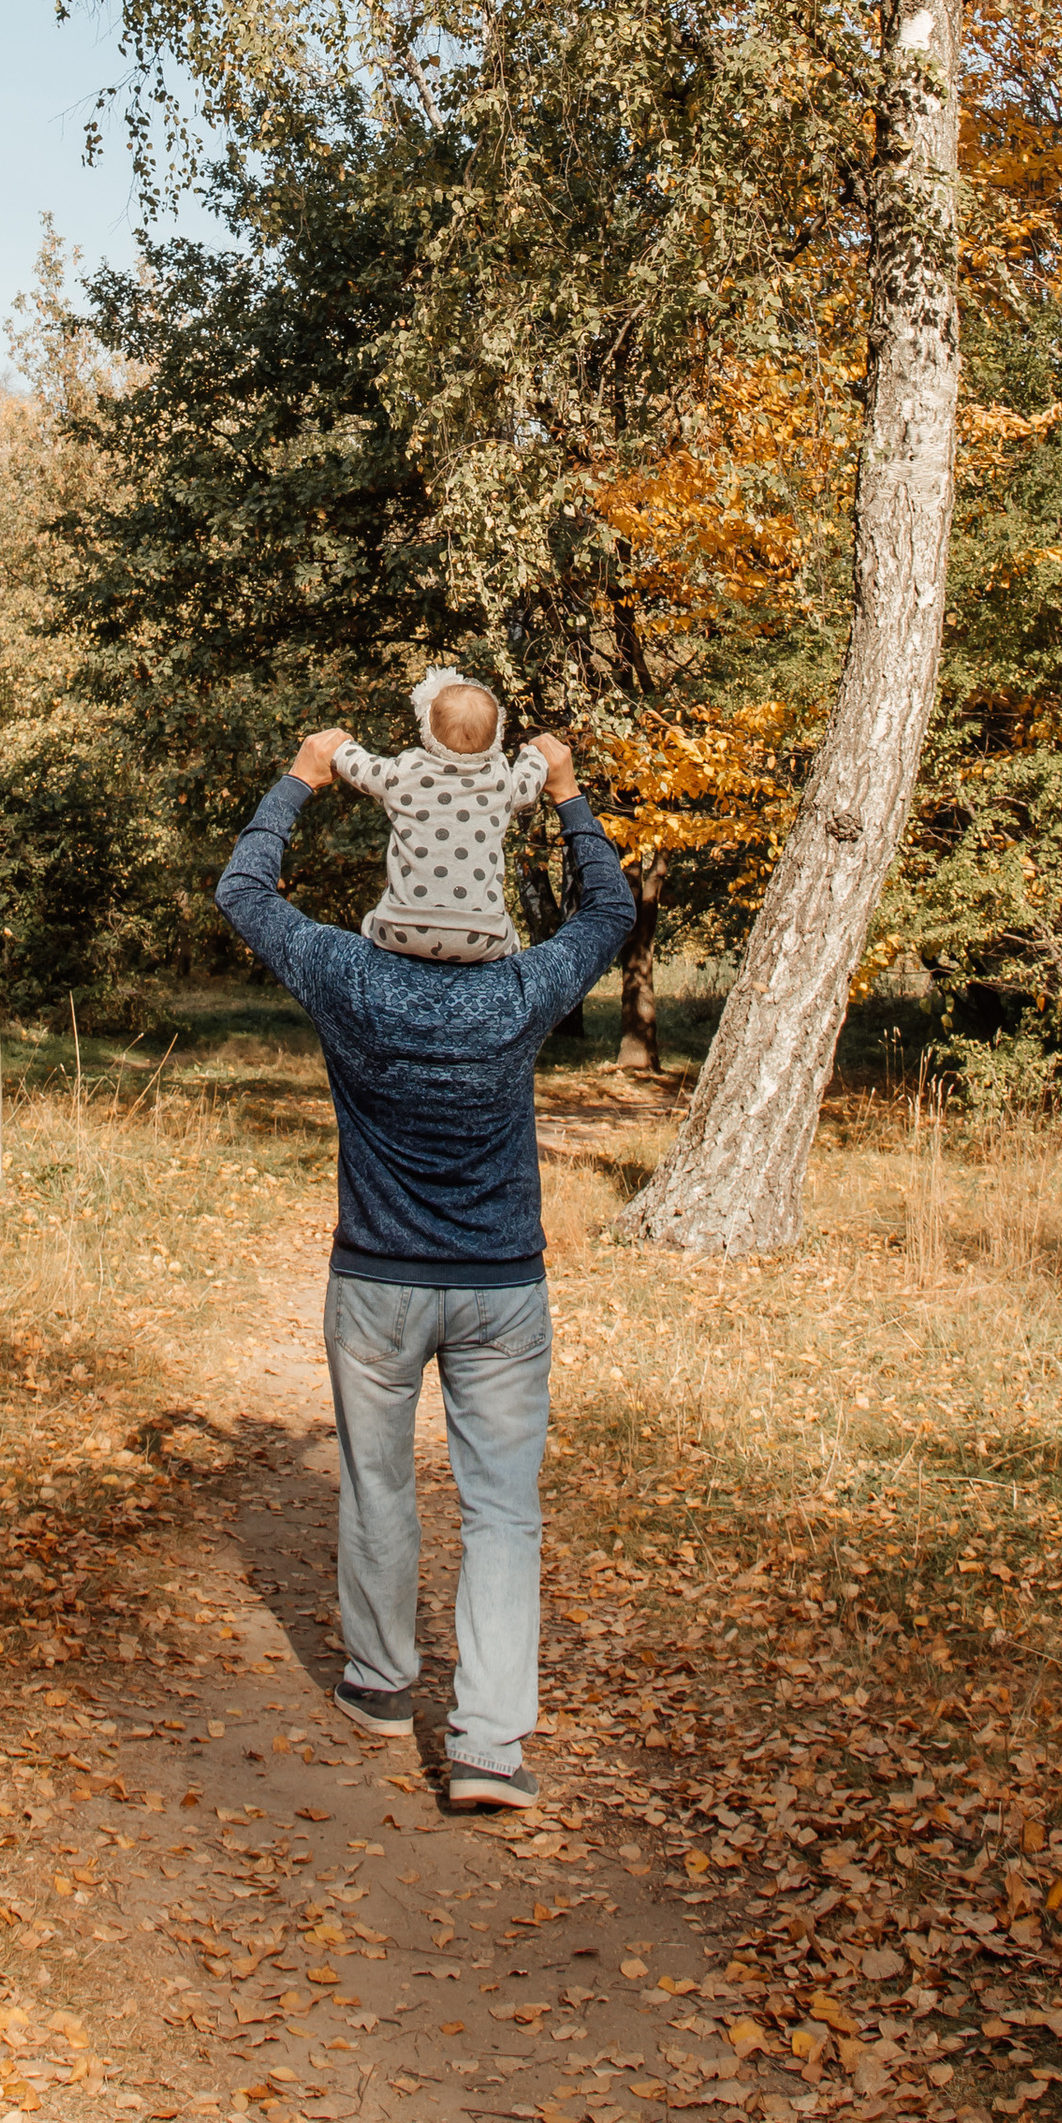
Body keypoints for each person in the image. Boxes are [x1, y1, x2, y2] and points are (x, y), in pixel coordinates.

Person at [213, 724, 637, 1810]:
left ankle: (380, 1681)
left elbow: (244, 892)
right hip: (501, 1287)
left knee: (378, 1480)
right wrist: (567, 794)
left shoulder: (349, 976)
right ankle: (489, 1745)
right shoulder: (520, 992)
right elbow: (608, 913)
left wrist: (300, 779)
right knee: (502, 1512)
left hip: (378, 1283)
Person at [332, 666, 549, 959]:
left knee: (372, 923)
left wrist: (341, 747)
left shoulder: (404, 773)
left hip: (401, 928)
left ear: (428, 732)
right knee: (510, 939)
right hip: (481, 935)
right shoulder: (502, 782)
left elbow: (361, 768)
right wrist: (535, 754)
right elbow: (531, 779)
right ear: (496, 735)